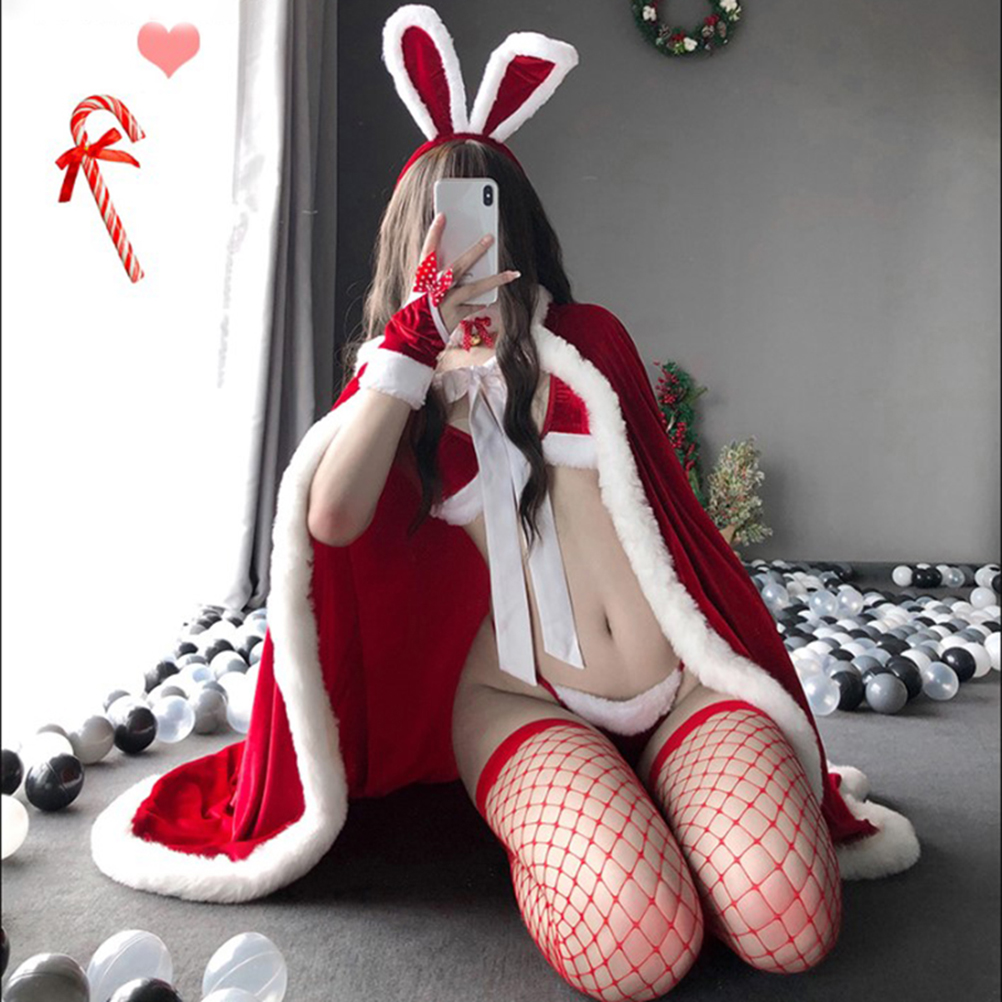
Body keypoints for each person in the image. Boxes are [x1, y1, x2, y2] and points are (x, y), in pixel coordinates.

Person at [90, 9, 919, 1001]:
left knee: (788, 929)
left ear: (517, 226)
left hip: (678, 689)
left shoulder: (589, 345)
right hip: (520, 699)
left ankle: (662, 791)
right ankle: (588, 822)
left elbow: (664, 519)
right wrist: (410, 351)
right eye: (442, 226)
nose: (466, 250)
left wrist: (508, 348)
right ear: (409, 244)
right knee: (640, 954)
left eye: (485, 217)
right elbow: (332, 520)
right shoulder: (394, 391)